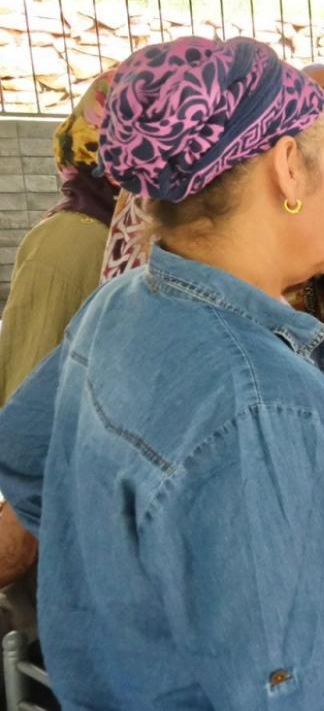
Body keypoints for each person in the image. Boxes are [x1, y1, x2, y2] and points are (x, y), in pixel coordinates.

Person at [0, 37, 324, 708]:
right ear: (289, 168)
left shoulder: (115, 304)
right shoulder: (261, 404)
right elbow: (303, 689)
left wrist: (129, 595)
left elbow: (25, 461)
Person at [0, 69, 118, 648]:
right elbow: (27, 399)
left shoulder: (130, 232)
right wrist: (25, 523)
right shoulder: (72, 240)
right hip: (59, 518)